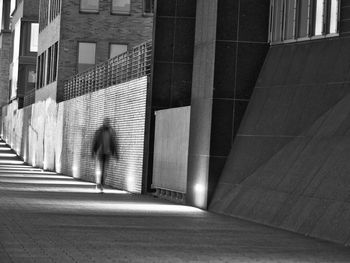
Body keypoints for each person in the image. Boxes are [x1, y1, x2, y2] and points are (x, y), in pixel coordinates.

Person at [92, 117, 118, 193]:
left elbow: (114, 143)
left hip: (107, 153)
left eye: (108, 122)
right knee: (100, 168)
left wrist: (115, 153)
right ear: (103, 122)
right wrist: (93, 151)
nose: (107, 123)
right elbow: (95, 141)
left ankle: (101, 184)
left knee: (104, 170)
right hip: (100, 152)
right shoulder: (99, 131)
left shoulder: (111, 132)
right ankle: (99, 184)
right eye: (106, 122)